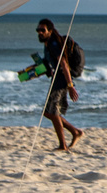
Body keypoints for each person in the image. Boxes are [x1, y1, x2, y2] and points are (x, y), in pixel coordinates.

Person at [35, 18, 83, 151]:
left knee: (54, 112)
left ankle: (63, 145)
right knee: (47, 112)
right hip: (56, 79)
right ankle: (75, 132)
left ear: (50, 31)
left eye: (42, 30)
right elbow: (48, 64)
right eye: (38, 30)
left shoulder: (54, 44)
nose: (40, 32)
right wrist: (30, 72)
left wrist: (70, 85)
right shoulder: (47, 44)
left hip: (61, 80)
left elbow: (64, 64)